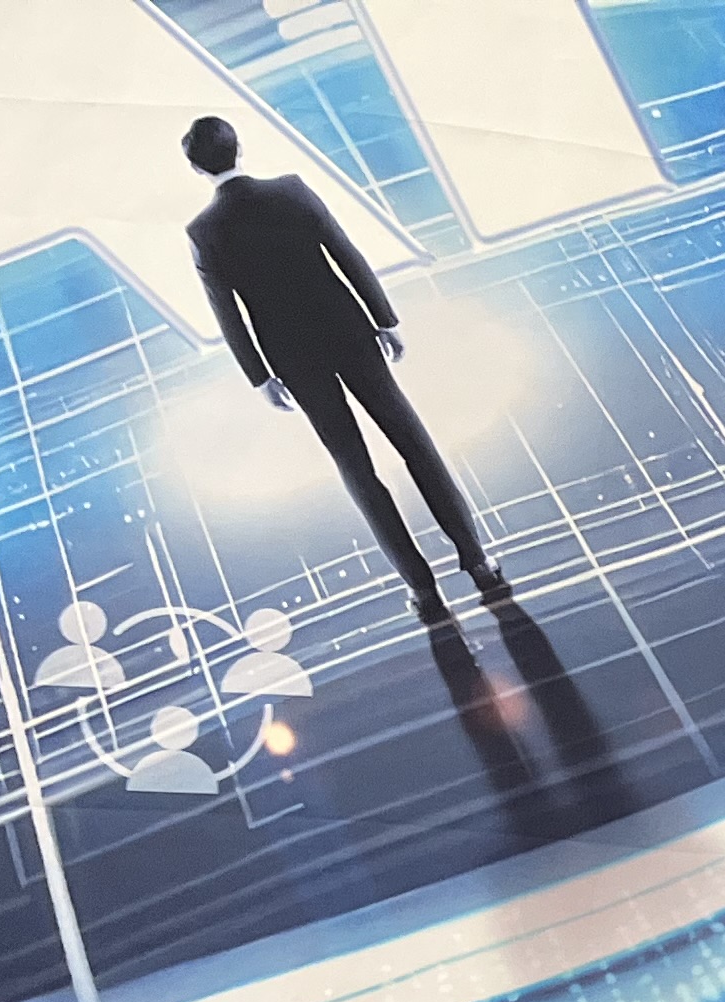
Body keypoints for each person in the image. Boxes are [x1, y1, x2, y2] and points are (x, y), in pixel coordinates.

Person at [180, 117, 506, 625]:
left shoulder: (203, 231)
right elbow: (344, 252)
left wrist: (259, 376)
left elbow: (228, 314)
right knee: (412, 441)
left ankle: (422, 589)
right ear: (239, 149)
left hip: (292, 355)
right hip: (348, 329)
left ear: (196, 168)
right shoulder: (291, 190)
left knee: (356, 468)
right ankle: (478, 561)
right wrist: (384, 319)